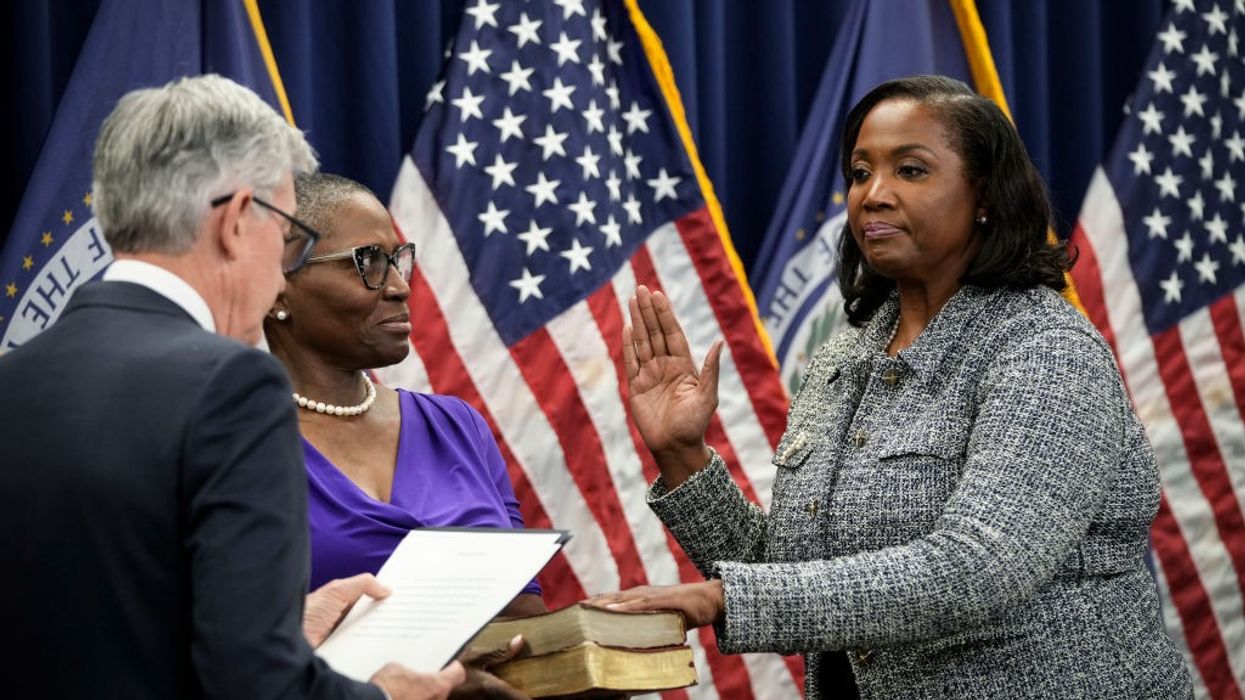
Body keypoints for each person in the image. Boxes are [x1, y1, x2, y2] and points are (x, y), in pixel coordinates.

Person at [590, 75, 1194, 699]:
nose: (873, 195)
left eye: (910, 170)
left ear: (983, 194)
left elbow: (981, 566)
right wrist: (684, 457)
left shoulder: (1044, 348)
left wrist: (720, 599)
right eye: (859, 173)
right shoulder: (845, 356)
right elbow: (799, 579)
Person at [0, 74, 463, 700]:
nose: (281, 271)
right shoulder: (232, 387)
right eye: (285, 234)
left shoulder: (13, 378)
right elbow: (257, 685)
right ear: (239, 220)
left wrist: (280, 631)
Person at [263, 173, 545, 698]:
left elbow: (525, 624)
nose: (398, 284)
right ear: (280, 284)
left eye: (398, 258)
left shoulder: (457, 427)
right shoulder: (239, 449)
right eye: (366, 261)